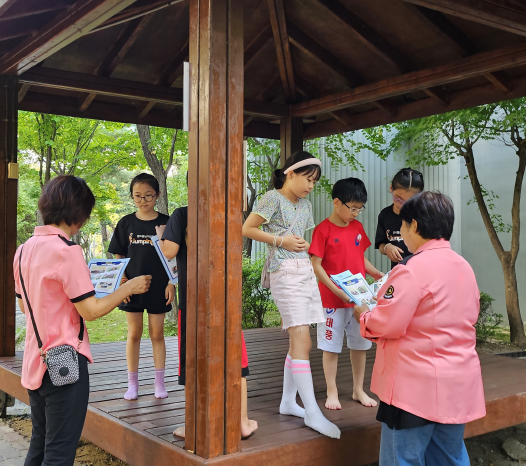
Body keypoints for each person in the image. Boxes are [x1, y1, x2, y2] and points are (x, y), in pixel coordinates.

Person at [14, 175, 151, 466]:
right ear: (78, 212)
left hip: (34, 360)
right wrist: (128, 287)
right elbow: (91, 310)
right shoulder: (67, 251)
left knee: (39, 444)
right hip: (64, 363)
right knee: (60, 453)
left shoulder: (23, 250)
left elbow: (26, 308)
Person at [354, 192, 485, 466]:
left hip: (412, 389)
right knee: (449, 457)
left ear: (414, 225)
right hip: (457, 383)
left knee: (402, 459)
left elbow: (388, 323)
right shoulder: (465, 267)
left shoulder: (411, 269)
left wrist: (365, 315)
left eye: (402, 226)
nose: (401, 233)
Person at [242, 151, 340, 440]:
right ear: (290, 174)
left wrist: (299, 243)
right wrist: (281, 240)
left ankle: (288, 402)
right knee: (303, 339)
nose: (311, 186)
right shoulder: (272, 198)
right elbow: (246, 228)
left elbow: (299, 236)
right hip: (283, 271)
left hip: (304, 271)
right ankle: (311, 411)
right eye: (307, 179)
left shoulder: (306, 205)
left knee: (300, 339)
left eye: (314, 181)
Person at [157, 206, 258, 439]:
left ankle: (194, 424)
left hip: (193, 302)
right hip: (226, 299)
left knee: (192, 362)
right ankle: (242, 421)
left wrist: (163, 238)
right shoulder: (228, 211)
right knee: (235, 360)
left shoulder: (183, 214)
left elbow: (170, 251)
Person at [308, 178, 383, 411]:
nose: (356, 213)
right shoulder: (323, 230)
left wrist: (377, 274)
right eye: (352, 208)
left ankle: (358, 389)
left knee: (360, 345)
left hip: (359, 300)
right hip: (332, 300)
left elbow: (360, 257)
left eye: (360, 208)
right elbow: (316, 265)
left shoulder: (357, 228)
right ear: (336, 202)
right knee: (330, 346)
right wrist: (336, 291)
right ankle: (332, 391)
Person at [108, 173, 175, 400]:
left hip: (159, 287)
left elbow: (174, 258)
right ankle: (132, 384)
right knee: (134, 333)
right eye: (137, 196)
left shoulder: (167, 223)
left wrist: (171, 284)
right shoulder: (125, 223)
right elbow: (119, 255)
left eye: (148, 195)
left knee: (157, 333)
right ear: (132, 197)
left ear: (157, 195)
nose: (142, 200)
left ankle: (159, 383)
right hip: (132, 287)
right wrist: (124, 284)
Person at [375, 168, 424, 269]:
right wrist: (387, 247)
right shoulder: (385, 215)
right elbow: (381, 244)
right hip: (399, 271)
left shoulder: (423, 214)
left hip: (421, 270)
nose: (402, 205)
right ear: (391, 189)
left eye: (409, 201)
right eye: (398, 198)